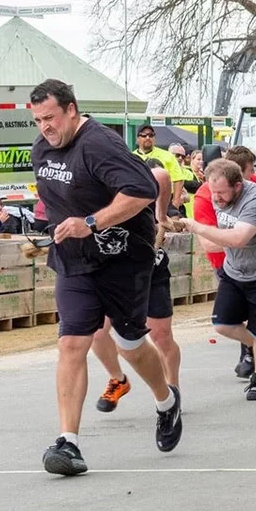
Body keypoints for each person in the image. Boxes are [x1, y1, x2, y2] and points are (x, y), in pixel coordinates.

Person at [29, 79, 182, 476]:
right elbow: (59, 198)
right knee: (71, 342)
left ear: (71, 110)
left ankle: (166, 400)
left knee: (130, 342)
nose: (44, 126)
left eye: (50, 117)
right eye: (38, 119)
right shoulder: (43, 148)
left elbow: (144, 190)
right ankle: (68, 443)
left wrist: (91, 222)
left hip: (123, 260)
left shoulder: (98, 144)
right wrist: (63, 226)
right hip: (75, 261)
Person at [176, 158, 256, 401]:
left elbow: (239, 238)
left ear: (238, 186)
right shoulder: (210, 193)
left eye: (221, 193)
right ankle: (254, 346)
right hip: (235, 270)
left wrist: (197, 228)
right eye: (212, 191)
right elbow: (213, 241)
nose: (215, 198)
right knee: (222, 324)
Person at [89, 158, 181, 412]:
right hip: (113, 273)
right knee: (97, 331)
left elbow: (161, 174)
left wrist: (161, 215)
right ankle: (118, 379)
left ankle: (172, 390)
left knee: (160, 334)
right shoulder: (85, 189)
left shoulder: (132, 180)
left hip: (149, 269)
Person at [193, 144, 256, 377]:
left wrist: (248, 236)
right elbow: (208, 242)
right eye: (248, 173)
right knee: (229, 316)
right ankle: (251, 346)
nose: (250, 179)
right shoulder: (204, 196)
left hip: (255, 260)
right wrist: (239, 238)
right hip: (224, 261)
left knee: (255, 309)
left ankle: (252, 353)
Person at [132, 124, 186, 215]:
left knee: (171, 222)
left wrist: (175, 202)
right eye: (144, 135)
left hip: (164, 199)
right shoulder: (132, 157)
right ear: (138, 139)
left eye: (151, 135)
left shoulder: (167, 156)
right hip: (141, 199)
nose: (148, 138)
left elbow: (178, 180)